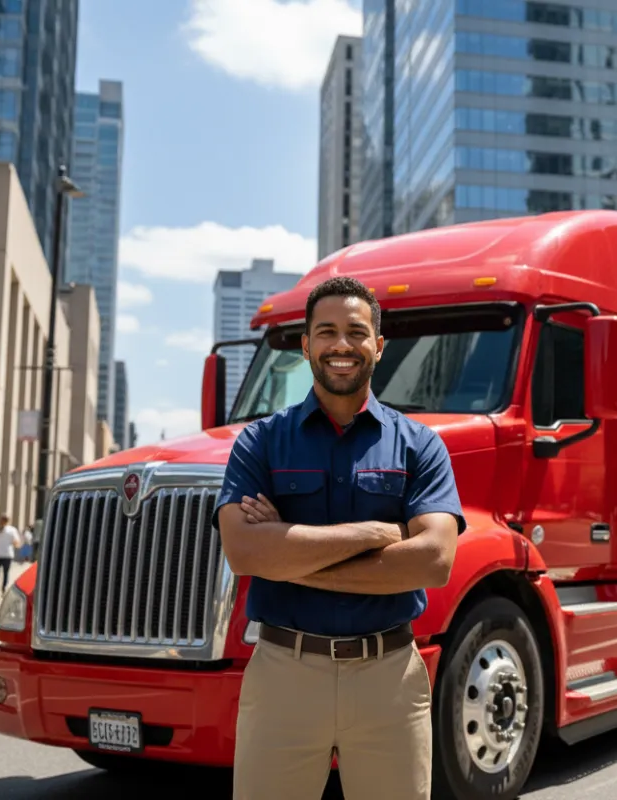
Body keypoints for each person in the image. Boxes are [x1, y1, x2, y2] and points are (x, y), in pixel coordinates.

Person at [214, 276, 465, 800]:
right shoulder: (259, 442)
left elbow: (432, 562)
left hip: (389, 678)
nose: (341, 345)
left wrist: (288, 553)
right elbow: (244, 553)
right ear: (305, 345)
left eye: (356, 331)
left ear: (379, 344)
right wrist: (377, 533)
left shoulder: (421, 446)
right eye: (326, 331)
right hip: (285, 674)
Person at [0, 514, 22, 600]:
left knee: (0, 574)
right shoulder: (0, 531)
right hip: (3, 555)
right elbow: (17, 543)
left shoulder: (3, 531)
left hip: (2, 555)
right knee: (1, 574)